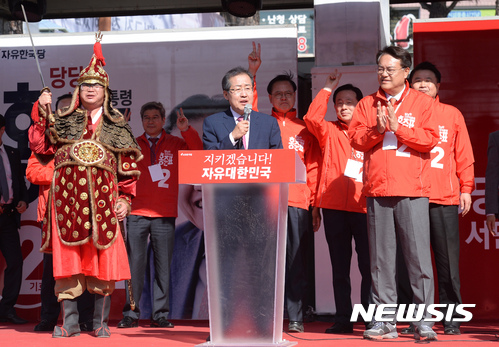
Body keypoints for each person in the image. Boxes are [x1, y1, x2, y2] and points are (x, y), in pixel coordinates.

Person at [28, 32, 142, 338]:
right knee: (68, 264)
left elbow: (128, 171)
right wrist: (41, 113)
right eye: (85, 84)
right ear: (78, 90)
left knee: (101, 263)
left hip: (104, 205)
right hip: (66, 204)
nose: (90, 89)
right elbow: (39, 146)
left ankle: (100, 323)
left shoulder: (118, 128)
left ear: (106, 91)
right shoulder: (63, 122)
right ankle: (68, 323)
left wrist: (125, 200)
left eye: (96, 85)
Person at [348, 46, 439, 341]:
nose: (384, 74)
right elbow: (356, 139)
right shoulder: (366, 103)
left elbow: (429, 140)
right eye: (380, 69)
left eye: (390, 69)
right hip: (378, 190)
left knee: (417, 259)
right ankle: (383, 321)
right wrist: (377, 128)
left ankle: (423, 321)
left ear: (406, 72)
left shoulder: (422, 103)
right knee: (380, 261)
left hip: (412, 190)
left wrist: (399, 129)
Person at [397, 61, 475, 336]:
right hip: (409, 195)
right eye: (418, 79)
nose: (423, 84)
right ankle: (415, 318)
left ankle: (452, 317)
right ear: (409, 83)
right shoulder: (402, 112)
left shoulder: (451, 114)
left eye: (429, 80)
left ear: (438, 85)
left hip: (443, 197)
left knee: (446, 263)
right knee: (410, 263)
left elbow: (463, 154)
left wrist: (466, 188)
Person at [247, 42, 320, 333]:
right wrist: (253, 74)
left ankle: (297, 315)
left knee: (296, 261)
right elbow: (247, 109)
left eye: (288, 93)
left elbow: (313, 167)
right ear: (269, 98)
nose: (284, 97)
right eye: (278, 94)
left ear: (295, 96)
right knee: (265, 260)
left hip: (297, 202)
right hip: (265, 202)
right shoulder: (262, 124)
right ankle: (267, 314)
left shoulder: (306, 129)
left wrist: (314, 206)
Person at [117, 102, 202, 328]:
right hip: (136, 212)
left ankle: (160, 314)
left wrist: (186, 129)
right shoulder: (132, 143)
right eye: (147, 117)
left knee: (163, 267)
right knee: (134, 267)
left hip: (164, 213)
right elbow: (113, 159)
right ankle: (131, 313)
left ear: (163, 120)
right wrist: (121, 131)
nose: (151, 121)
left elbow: (198, 153)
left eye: (156, 117)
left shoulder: (175, 143)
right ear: (142, 120)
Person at [303, 71, 372, 334]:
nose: (344, 106)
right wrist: (327, 88)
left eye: (350, 102)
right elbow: (311, 117)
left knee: (368, 267)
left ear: (360, 105)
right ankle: (344, 319)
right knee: (340, 268)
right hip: (334, 208)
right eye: (340, 102)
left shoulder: (369, 134)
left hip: (364, 207)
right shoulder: (329, 130)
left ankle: (371, 318)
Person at [27, 94, 95, 333]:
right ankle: (48, 317)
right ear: (53, 114)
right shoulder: (46, 142)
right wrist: (64, 172)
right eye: (61, 109)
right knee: (52, 270)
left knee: (83, 268)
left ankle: (86, 318)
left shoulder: (87, 141)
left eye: (71, 109)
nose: (66, 113)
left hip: (83, 213)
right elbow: (33, 173)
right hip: (54, 214)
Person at [202, 66, 282, 150]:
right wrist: (232, 137)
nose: (244, 94)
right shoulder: (213, 123)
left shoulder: (269, 123)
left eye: (248, 88)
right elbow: (210, 157)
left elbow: (278, 157)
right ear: (226, 95)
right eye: (238, 89)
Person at [0, 114, 29, 325]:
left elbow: (20, 182)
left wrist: (23, 201)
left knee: (15, 262)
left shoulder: (11, 152)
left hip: (9, 217)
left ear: (2, 130)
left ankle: (7, 309)